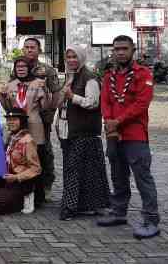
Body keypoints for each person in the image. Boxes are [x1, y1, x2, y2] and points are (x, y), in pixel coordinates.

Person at [98, 35, 160, 239]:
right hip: (113, 134)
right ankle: (119, 212)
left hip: (135, 135)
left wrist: (119, 120)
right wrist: (109, 121)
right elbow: (105, 100)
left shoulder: (143, 74)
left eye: (124, 48)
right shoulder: (109, 76)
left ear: (133, 50)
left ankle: (151, 220)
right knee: (118, 175)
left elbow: (142, 103)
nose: (120, 52)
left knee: (143, 178)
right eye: (117, 49)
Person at [54, 45, 110, 220]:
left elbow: (93, 103)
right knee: (80, 170)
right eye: (68, 57)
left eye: (74, 57)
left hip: (83, 133)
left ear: (81, 58)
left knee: (76, 170)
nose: (71, 60)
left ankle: (70, 208)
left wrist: (73, 97)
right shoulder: (70, 76)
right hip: (68, 131)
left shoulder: (90, 78)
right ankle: (83, 204)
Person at [0, 57, 52, 206]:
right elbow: (7, 108)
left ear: (29, 68)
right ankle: (20, 192)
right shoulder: (10, 85)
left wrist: (45, 90)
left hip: (34, 125)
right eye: (18, 66)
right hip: (17, 127)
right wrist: (3, 96)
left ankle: (39, 196)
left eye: (24, 66)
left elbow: (45, 106)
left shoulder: (37, 83)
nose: (21, 69)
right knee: (18, 159)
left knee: (36, 160)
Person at [19, 37, 60, 196]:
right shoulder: (19, 66)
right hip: (23, 115)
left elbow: (55, 91)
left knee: (44, 150)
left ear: (39, 50)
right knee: (22, 147)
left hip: (42, 116)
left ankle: (46, 183)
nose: (29, 50)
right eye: (27, 47)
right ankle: (27, 182)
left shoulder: (47, 70)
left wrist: (51, 111)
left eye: (33, 47)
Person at [0, 108, 41, 216]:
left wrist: (16, 177)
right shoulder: (11, 137)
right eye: (9, 119)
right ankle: (10, 196)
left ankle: (27, 197)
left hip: (21, 181)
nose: (10, 122)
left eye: (14, 119)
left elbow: (36, 168)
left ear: (22, 121)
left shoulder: (27, 141)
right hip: (9, 178)